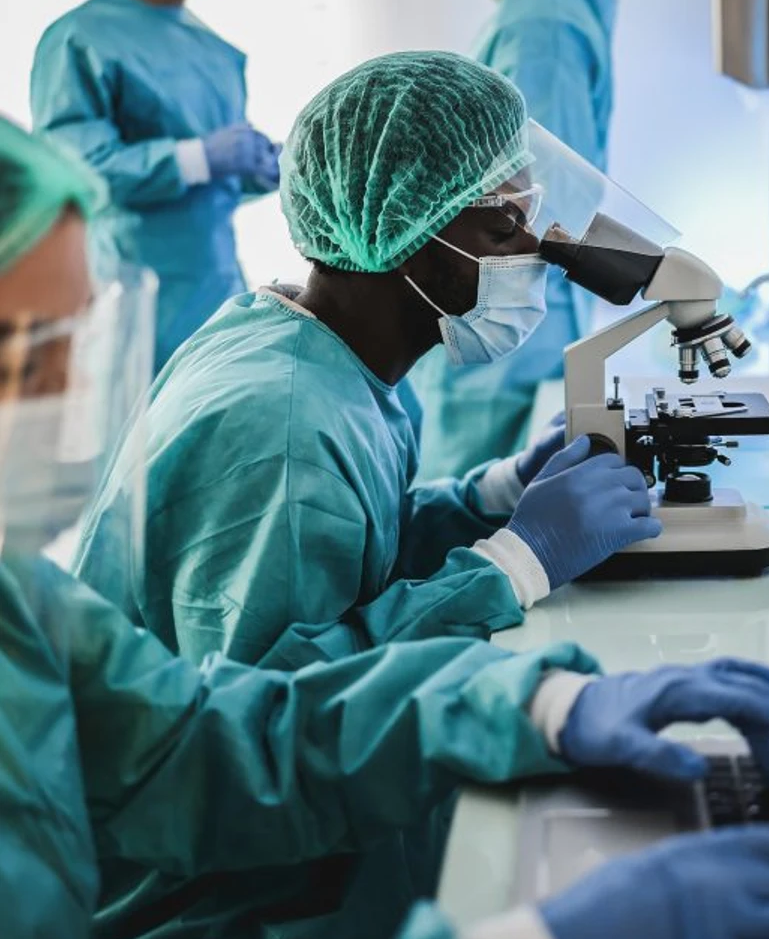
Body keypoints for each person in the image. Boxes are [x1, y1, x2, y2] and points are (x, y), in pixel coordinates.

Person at [0, 115, 769, 939]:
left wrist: (541, 703)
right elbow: (271, 676)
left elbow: (215, 735)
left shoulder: (20, 598)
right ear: (404, 228)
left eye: (72, 347)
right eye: (28, 357)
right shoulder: (276, 424)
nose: (62, 405)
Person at [75, 51, 662, 676]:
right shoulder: (286, 428)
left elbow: (350, 545)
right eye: (503, 230)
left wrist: (499, 491)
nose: (536, 250)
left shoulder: (316, 346)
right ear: (402, 234)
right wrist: (517, 565)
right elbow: (284, 700)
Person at [388, 0, 617, 479]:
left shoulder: (540, 26)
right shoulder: (535, 13)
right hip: (503, 319)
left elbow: (531, 202)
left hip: (504, 328)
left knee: (476, 528)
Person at [30, 0, 280, 372]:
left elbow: (208, 186)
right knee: (132, 433)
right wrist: (198, 157)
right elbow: (74, 174)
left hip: (217, 292)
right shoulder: (81, 37)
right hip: (130, 298)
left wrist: (255, 171)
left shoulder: (216, 51)